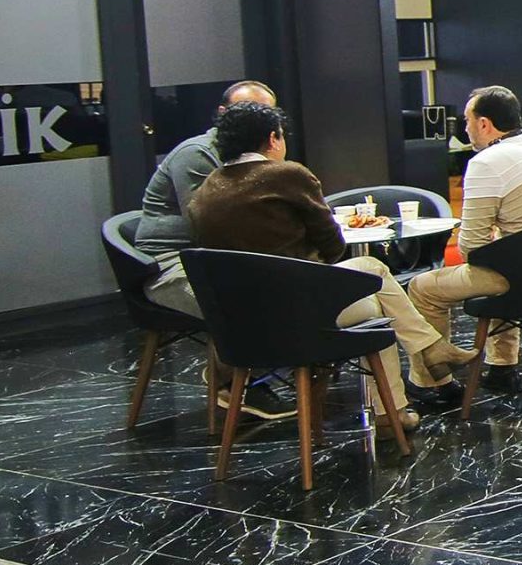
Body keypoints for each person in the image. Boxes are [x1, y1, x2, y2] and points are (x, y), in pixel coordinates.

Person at [187, 101, 471, 403]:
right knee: (375, 284)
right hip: (300, 313)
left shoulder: (204, 192)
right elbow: (334, 247)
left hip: (239, 325)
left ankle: (421, 369)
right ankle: (405, 389)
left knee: (372, 283)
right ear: (272, 138)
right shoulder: (286, 176)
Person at [407, 86, 522, 397]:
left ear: (484, 124)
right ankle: (501, 369)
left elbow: (471, 249)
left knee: (422, 288)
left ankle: (433, 385)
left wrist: (495, 241)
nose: (465, 128)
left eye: (466, 120)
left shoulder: (486, 163)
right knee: (503, 254)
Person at [136, 78, 279, 313]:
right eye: (243, 112)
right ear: (223, 114)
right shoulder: (197, 154)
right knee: (251, 310)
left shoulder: (263, 153)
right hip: (174, 262)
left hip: (222, 258)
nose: (254, 121)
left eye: (265, 114)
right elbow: (208, 226)